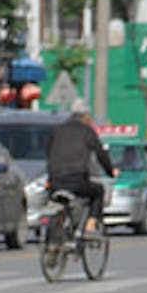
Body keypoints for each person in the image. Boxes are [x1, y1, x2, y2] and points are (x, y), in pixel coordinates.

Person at [45, 99, 118, 236]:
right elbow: (100, 154)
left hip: (55, 181)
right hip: (77, 180)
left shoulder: (58, 130)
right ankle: (91, 224)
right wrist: (110, 171)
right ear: (86, 116)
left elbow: (49, 152)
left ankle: (59, 228)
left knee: (57, 199)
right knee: (98, 191)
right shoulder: (87, 131)